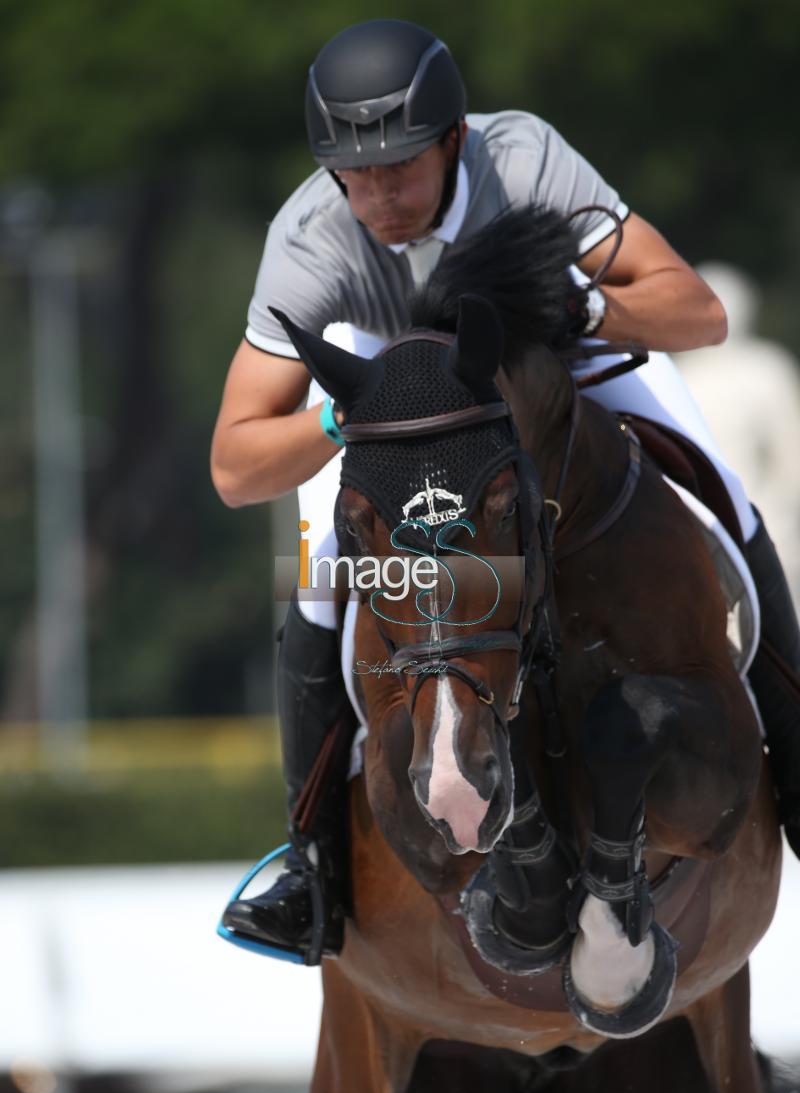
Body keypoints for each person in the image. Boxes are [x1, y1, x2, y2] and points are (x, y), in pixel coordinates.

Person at [214, 18, 800, 961]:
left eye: (399, 168)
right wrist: (338, 421)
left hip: (553, 357)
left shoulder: (523, 161)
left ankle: (796, 763)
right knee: (317, 580)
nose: (377, 197)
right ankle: (311, 862)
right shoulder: (310, 237)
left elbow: (700, 311)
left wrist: (589, 306)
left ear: (452, 141)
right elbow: (235, 465)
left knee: (729, 495)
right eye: (354, 176)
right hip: (390, 406)